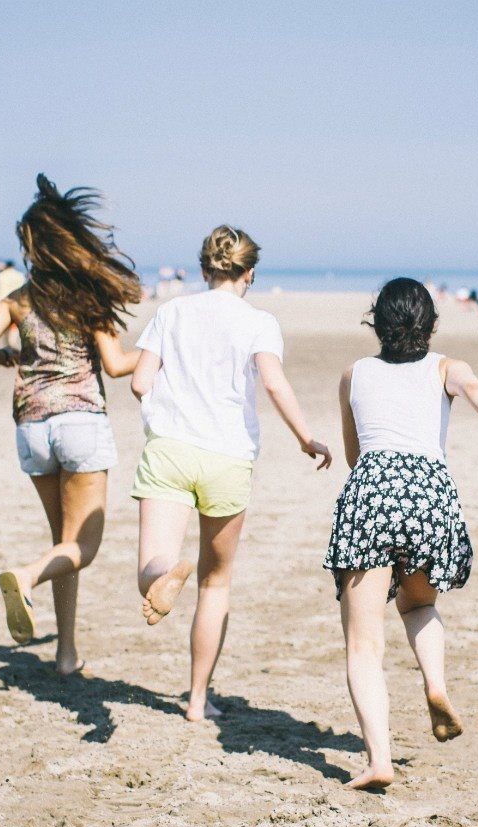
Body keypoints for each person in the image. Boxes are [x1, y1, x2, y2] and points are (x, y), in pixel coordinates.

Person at [325, 278, 478, 790]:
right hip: (429, 496)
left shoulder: (353, 375)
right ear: (431, 325)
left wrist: (377, 487)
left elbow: (354, 453)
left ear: (375, 322)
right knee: (418, 606)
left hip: (372, 491)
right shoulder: (447, 368)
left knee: (363, 645)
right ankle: (436, 684)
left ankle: (379, 760)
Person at [129, 225, 332, 721]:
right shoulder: (259, 321)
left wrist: (160, 407)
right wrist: (306, 438)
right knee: (215, 583)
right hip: (227, 457)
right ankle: (198, 701)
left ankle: (162, 575)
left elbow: (138, 381)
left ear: (204, 270)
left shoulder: (171, 311)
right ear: (250, 274)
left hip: (171, 448)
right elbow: (274, 382)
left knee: (152, 565)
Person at [0, 174, 143, 674]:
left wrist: (6, 356)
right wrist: (161, 353)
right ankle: (25, 575)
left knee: (64, 544)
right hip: (80, 422)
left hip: (32, 428)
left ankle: (66, 654)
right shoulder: (89, 296)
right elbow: (116, 364)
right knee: (83, 546)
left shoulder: (17, 299)